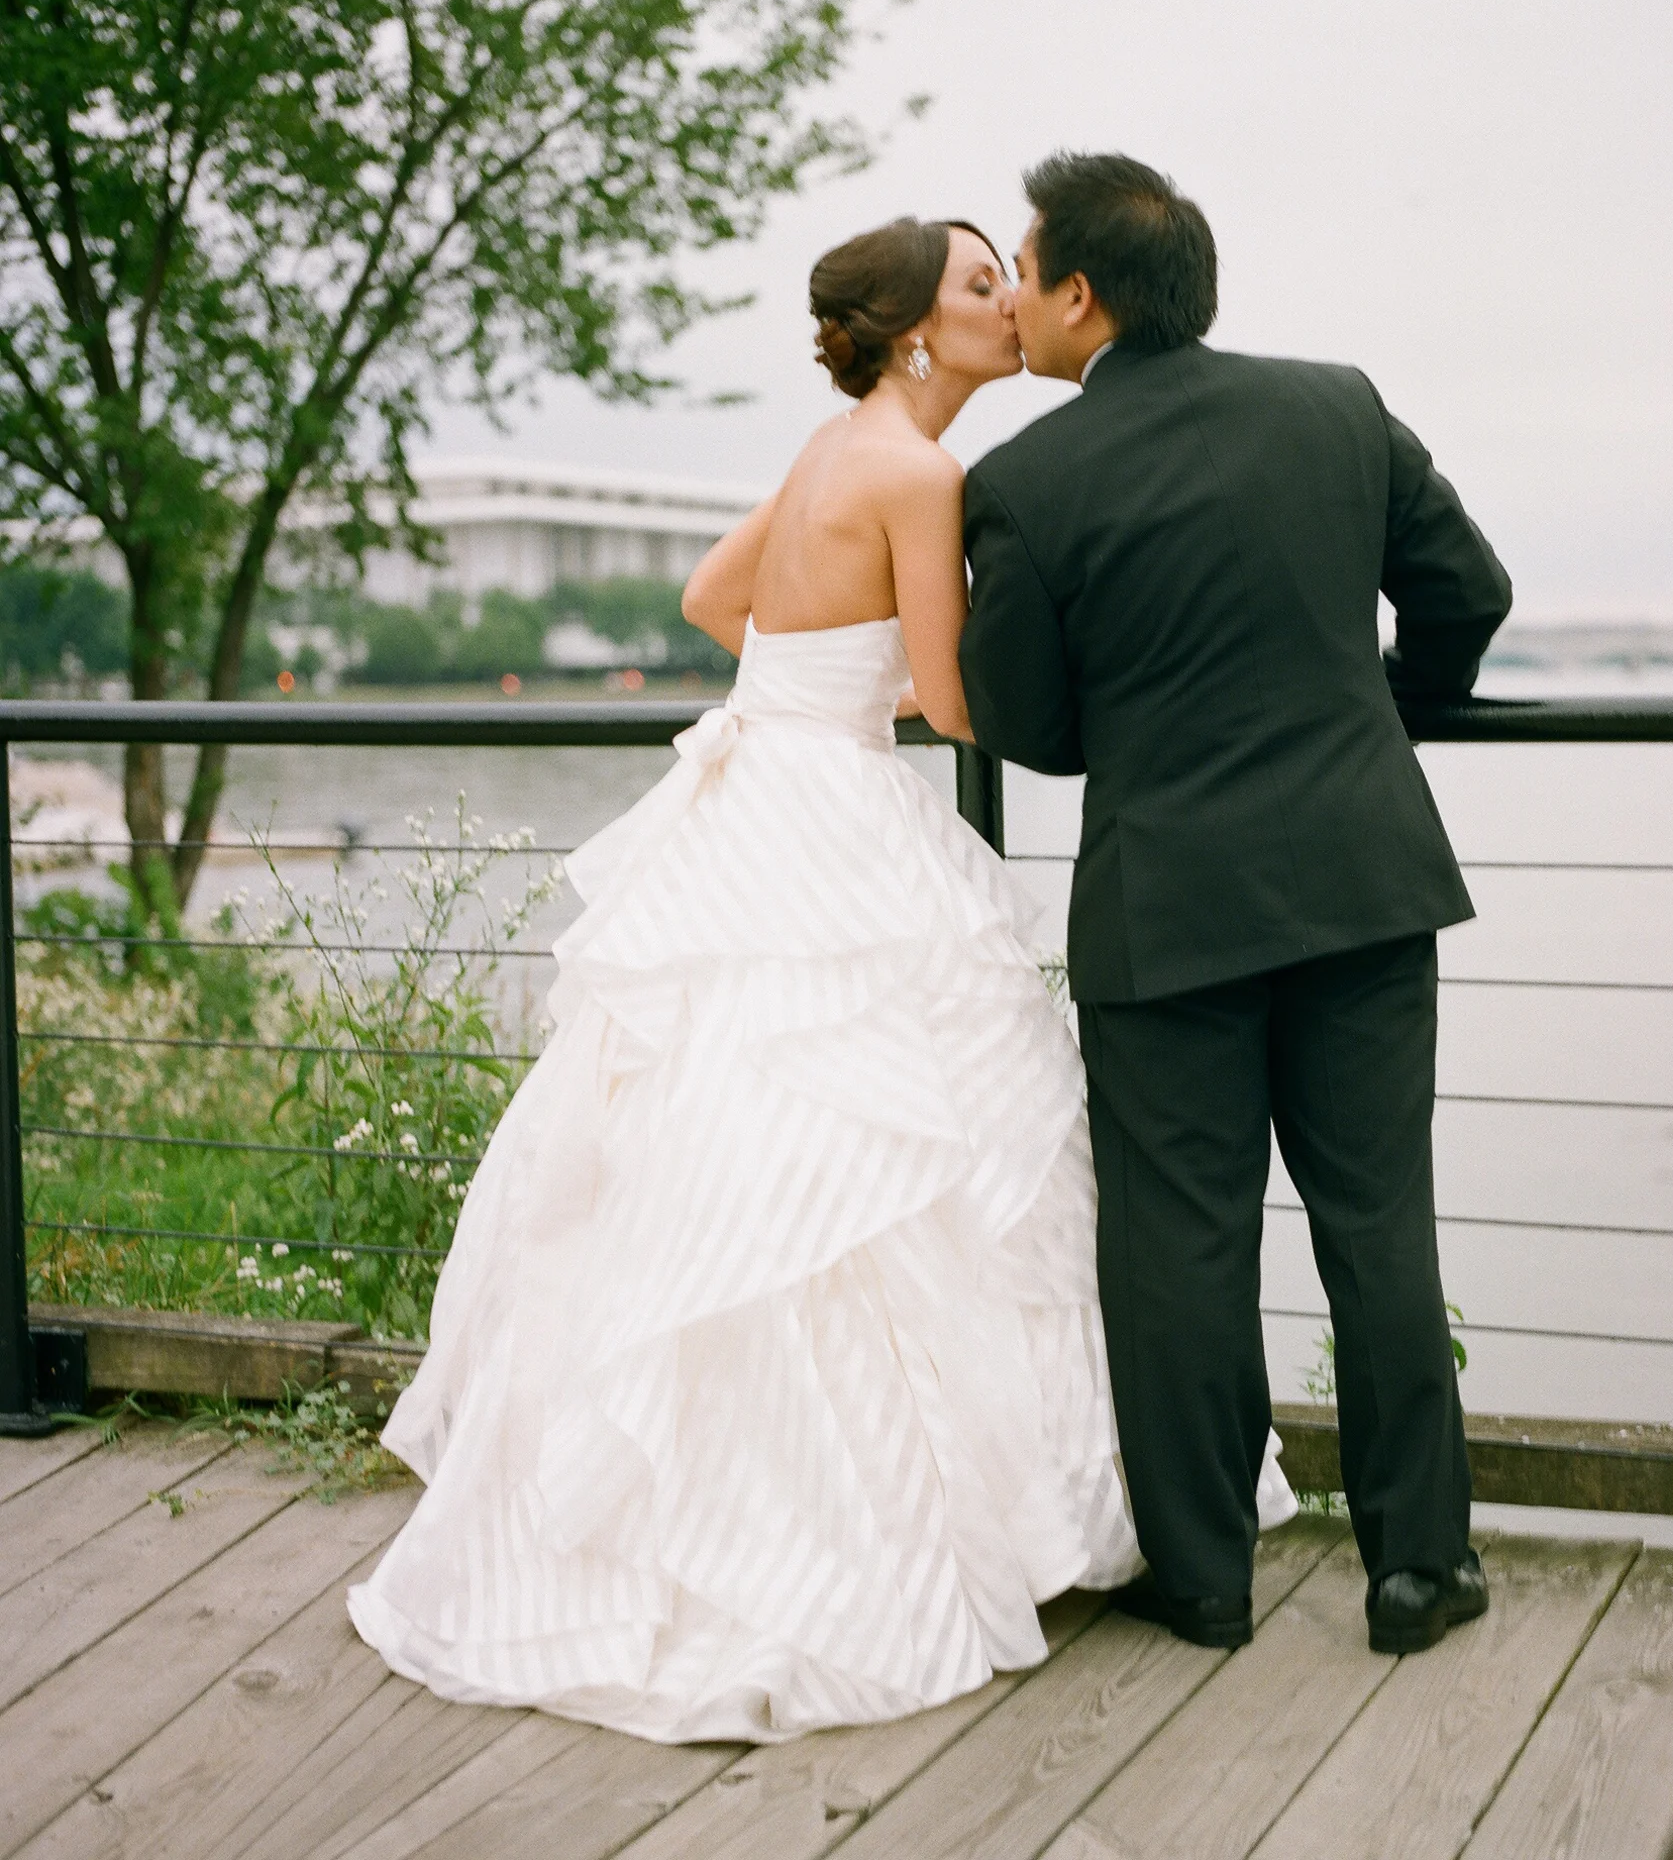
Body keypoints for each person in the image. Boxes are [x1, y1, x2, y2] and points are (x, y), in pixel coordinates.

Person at [347, 214, 1293, 1744]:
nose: (1008, 306)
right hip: (839, 818)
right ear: (921, 330)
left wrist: (813, 681)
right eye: (982, 287)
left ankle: (704, 1509)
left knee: (741, 1155)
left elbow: (717, 606)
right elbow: (959, 698)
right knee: (887, 1152)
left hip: (752, 798)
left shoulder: (827, 445)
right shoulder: (920, 474)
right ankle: (870, 1540)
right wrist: (1007, 680)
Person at [960, 152, 1513, 1655]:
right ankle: (1418, 1570)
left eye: (1022, 270)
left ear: (1080, 295)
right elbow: (1467, 589)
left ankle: (1201, 1575)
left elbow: (1028, 724)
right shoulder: (1336, 405)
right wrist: (1395, 705)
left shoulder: (1021, 484)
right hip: (1360, 876)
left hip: (1167, 913)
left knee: (1178, 1246)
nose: (1011, 295)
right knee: (1379, 1222)